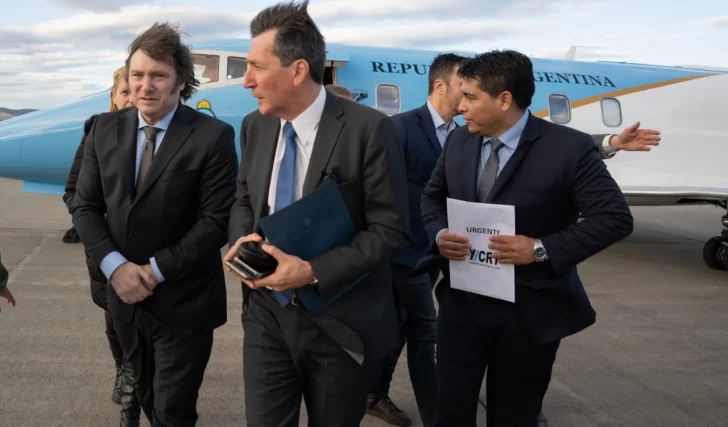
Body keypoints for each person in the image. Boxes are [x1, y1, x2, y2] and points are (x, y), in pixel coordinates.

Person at [369, 52, 661, 427]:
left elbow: (614, 219)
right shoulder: (459, 141)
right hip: (462, 305)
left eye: (470, 97)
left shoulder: (568, 148)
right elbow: (432, 197)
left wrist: (539, 249)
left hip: (529, 309)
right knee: (450, 410)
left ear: (504, 100)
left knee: (513, 415)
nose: (461, 106)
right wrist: (440, 233)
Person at [224, 1, 410, 426]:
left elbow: (390, 230)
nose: (246, 80)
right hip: (267, 313)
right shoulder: (255, 125)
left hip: (339, 322)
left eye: (256, 67)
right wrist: (240, 242)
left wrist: (311, 271)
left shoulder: (369, 130)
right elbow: (244, 199)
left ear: (297, 71)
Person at [71, 22, 238, 427]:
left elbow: (216, 221)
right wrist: (117, 269)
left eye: (158, 75)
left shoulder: (212, 136)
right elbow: (85, 206)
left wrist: (151, 271)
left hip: (185, 301)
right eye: (138, 75)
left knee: (173, 410)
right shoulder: (103, 129)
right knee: (145, 398)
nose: (145, 86)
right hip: (125, 301)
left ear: (180, 81)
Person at [62, 66, 141, 425]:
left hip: (148, 250)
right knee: (114, 319)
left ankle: (133, 391)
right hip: (106, 249)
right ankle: (123, 368)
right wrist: (95, 221)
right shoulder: (96, 133)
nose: (132, 99)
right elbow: (73, 191)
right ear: (113, 97)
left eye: (135, 92)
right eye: (125, 92)